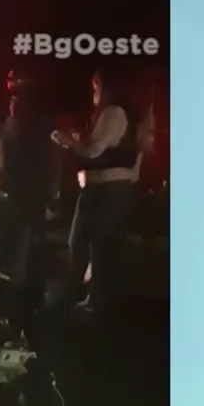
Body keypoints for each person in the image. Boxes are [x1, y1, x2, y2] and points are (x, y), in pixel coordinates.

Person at [0, 72, 61, 332]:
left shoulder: (41, 132)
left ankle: (12, 306)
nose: (15, 105)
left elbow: (52, 166)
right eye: (12, 101)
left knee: (18, 254)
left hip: (25, 203)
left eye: (20, 102)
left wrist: (51, 197)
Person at [50, 70, 143, 317]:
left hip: (106, 187)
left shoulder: (113, 112)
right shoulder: (125, 115)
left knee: (91, 242)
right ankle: (87, 294)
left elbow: (92, 151)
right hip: (109, 187)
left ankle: (88, 297)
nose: (94, 93)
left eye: (96, 87)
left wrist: (68, 141)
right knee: (91, 242)